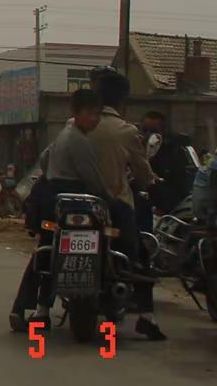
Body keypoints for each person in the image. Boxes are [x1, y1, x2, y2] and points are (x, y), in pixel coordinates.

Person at [13, 90, 106, 327]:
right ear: (76, 112)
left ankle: (32, 309)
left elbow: (44, 159)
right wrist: (107, 196)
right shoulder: (79, 139)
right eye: (90, 113)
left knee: (48, 251)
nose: (95, 119)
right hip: (75, 201)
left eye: (97, 114)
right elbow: (92, 177)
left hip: (53, 199)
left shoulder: (65, 133)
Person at [86, 67, 165, 341]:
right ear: (122, 100)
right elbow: (143, 174)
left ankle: (39, 308)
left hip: (78, 204)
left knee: (47, 248)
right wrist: (151, 182)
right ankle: (146, 317)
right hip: (115, 205)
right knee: (140, 251)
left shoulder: (76, 124)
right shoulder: (126, 130)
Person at [140, 111, 191, 216]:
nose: (148, 135)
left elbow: (179, 190)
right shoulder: (133, 150)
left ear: (162, 133)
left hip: (162, 211)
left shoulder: (173, 155)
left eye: (153, 132)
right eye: (145, 130)